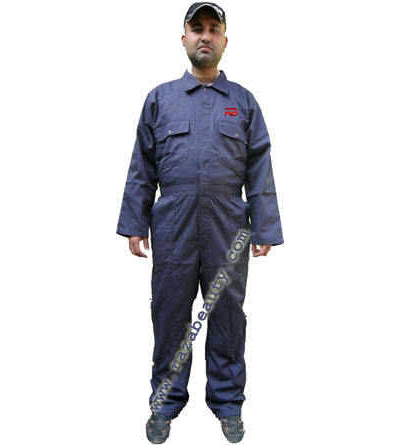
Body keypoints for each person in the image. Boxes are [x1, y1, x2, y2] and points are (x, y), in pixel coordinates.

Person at [116, 2, 284, 443]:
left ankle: (228, 404)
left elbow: (260, 167)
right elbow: (141, 166)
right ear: (184, 39)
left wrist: (265, 226)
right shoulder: (160, 99)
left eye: (213, 29)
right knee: (170, 315)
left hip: (229, 226)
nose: (205, 36)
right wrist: (135, 222)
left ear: (224, 41)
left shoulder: (243, 102)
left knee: (227, 316)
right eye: (197, 29)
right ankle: (164, 404)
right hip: (172, 224)